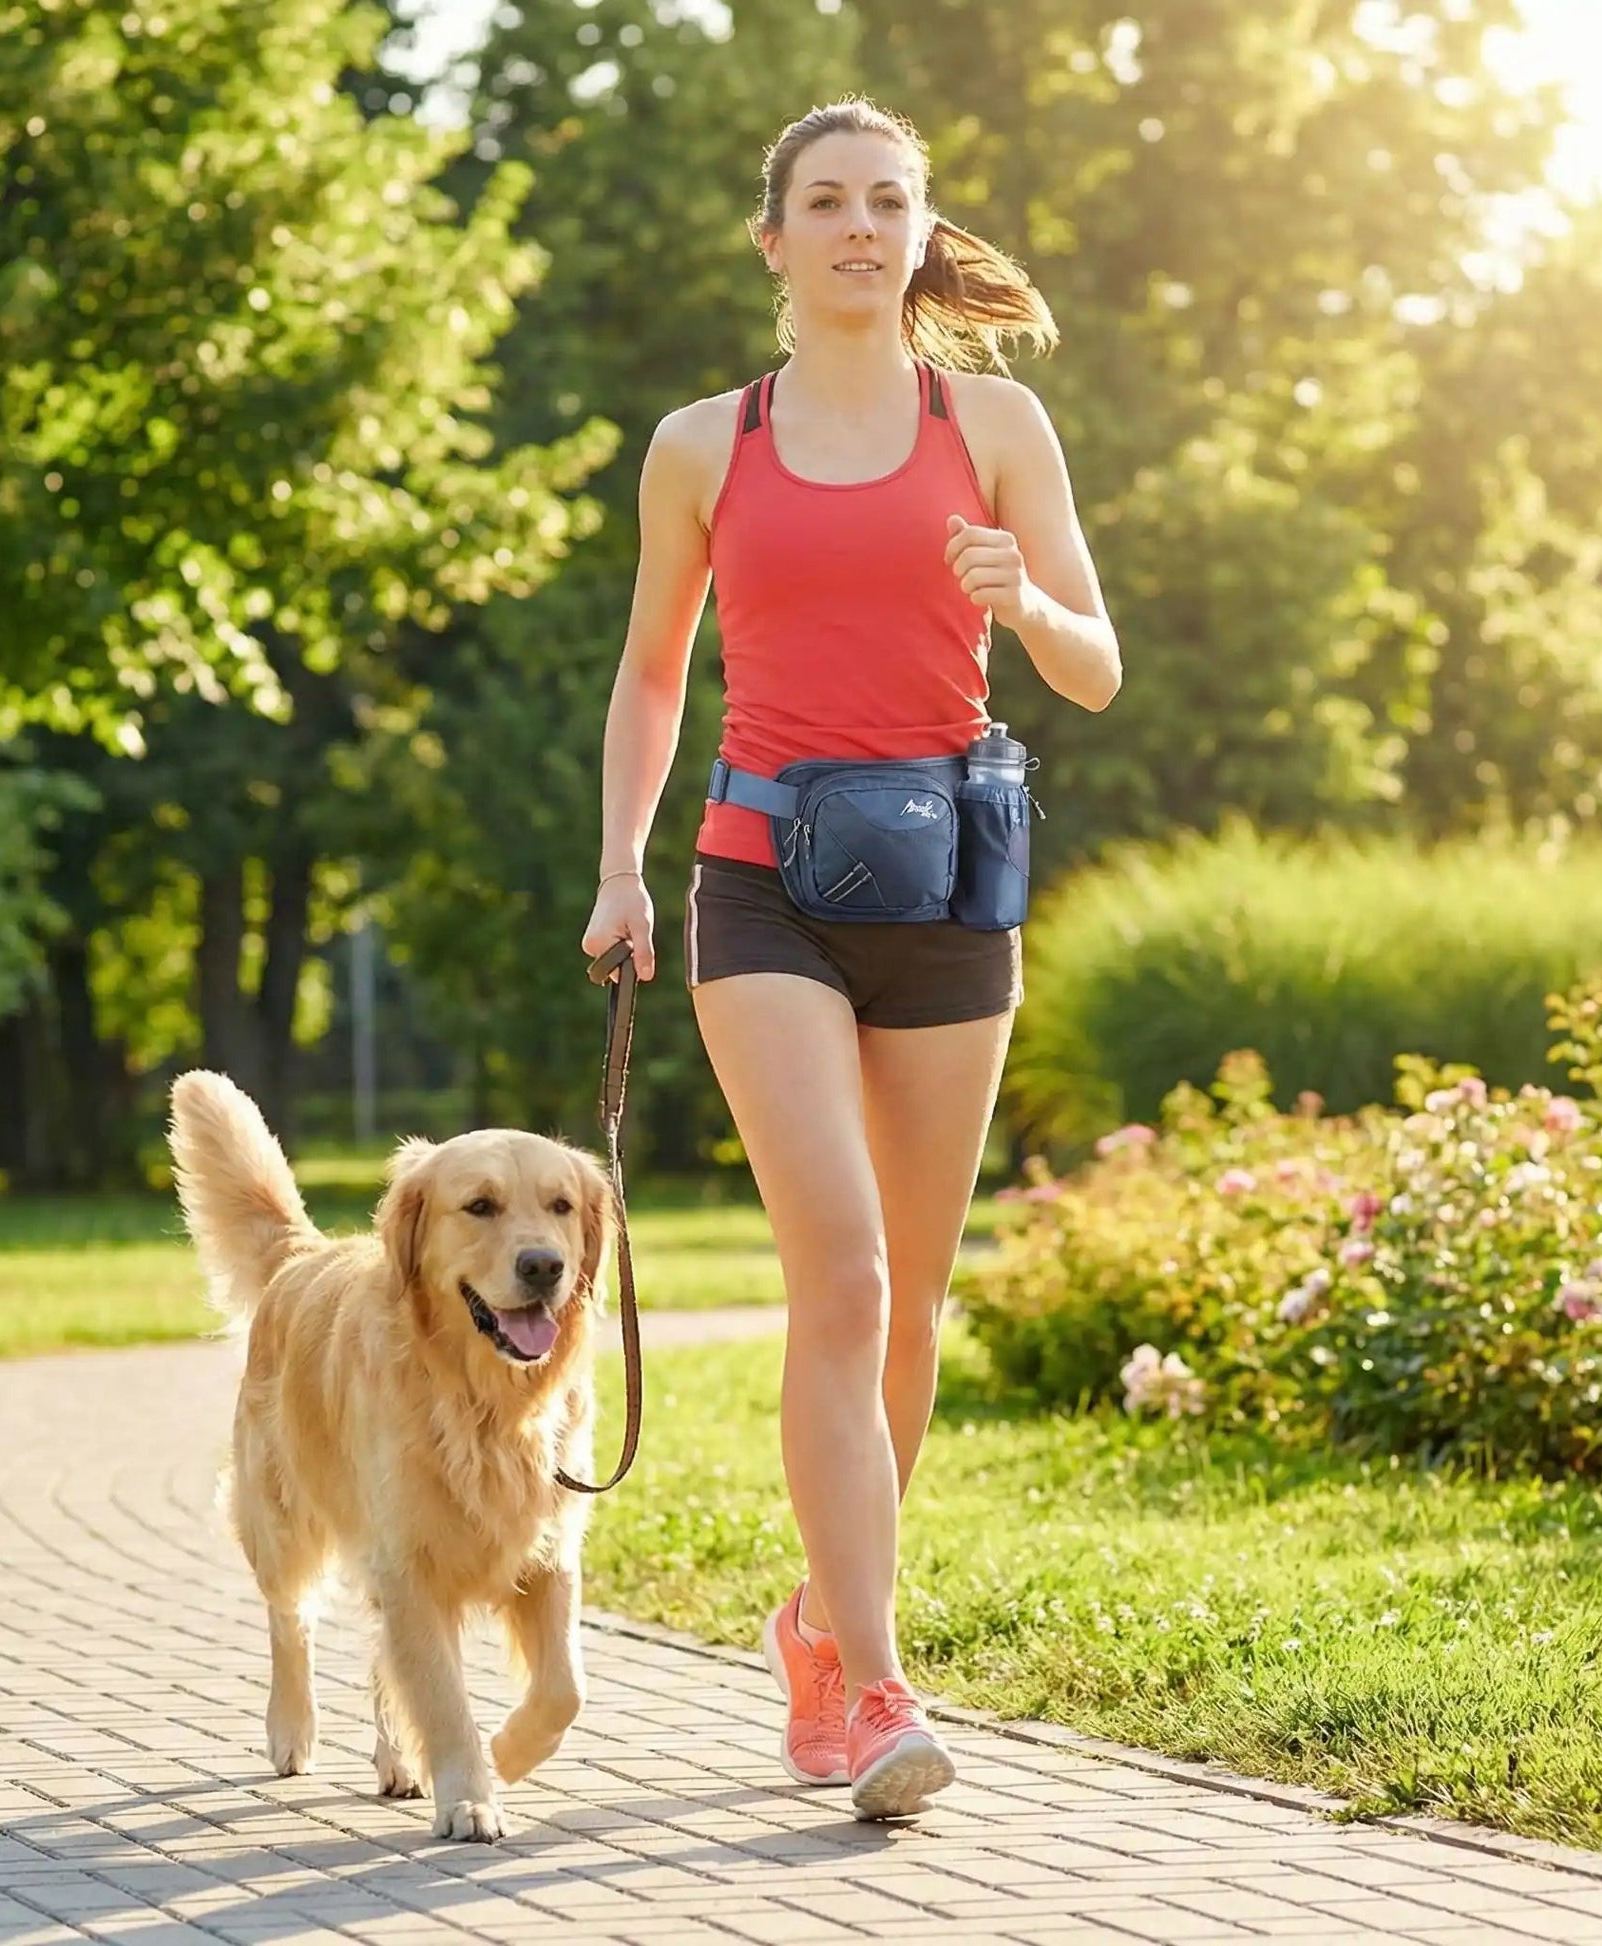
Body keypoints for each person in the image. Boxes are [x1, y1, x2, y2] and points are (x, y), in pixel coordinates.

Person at [580, 96, 1119, 1821]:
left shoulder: (1000, 423)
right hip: (762, 890)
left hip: (953, 891)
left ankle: (820, 1624)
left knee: (913, 1305)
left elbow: (1096, 665)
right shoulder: (697, 446)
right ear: (775, 238)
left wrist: (1019, 599)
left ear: (916, 229)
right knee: (849, 1275)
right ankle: (879, 1689)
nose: (860, 227)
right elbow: (656, 671)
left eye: (888, 200)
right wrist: (622, 867)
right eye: (827, 201)